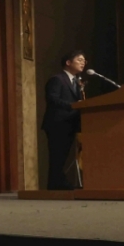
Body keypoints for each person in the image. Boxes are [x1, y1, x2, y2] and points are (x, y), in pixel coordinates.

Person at [42, 51, 87, 190]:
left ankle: (57, 184)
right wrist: (73, 105)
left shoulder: (77, 82)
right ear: (68, 62)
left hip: (70, 123)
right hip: (57, 123)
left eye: (84, 61)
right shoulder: (57, 79)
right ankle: (55, 185)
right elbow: (52, 99)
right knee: (57, 156)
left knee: (63, 157)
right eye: (79, 59)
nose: (83, 63)